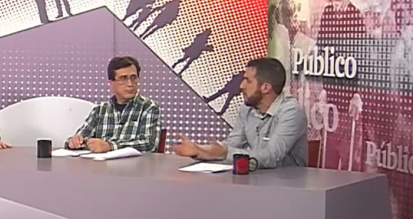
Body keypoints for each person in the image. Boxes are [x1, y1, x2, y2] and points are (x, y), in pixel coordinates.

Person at [173, 57, 308, 168]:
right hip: (257, 179)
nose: (241, 86)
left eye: (248, 81)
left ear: (266, 87)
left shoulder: (291, 112)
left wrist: (224, 153)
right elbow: (232, 144)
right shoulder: (247, 108)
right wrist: (199, 150)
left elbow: (271, 157)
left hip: (290, 186)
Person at [66, 56, 162, 153]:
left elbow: (149, 144)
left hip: (135, 162)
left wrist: (110, 146)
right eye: (123, 78)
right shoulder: (100, 110)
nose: (130, 84)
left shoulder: (149, 107)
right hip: (101, 162)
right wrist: (74, 142)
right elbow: (81, 137)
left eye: (133, 78)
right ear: (111, 83)